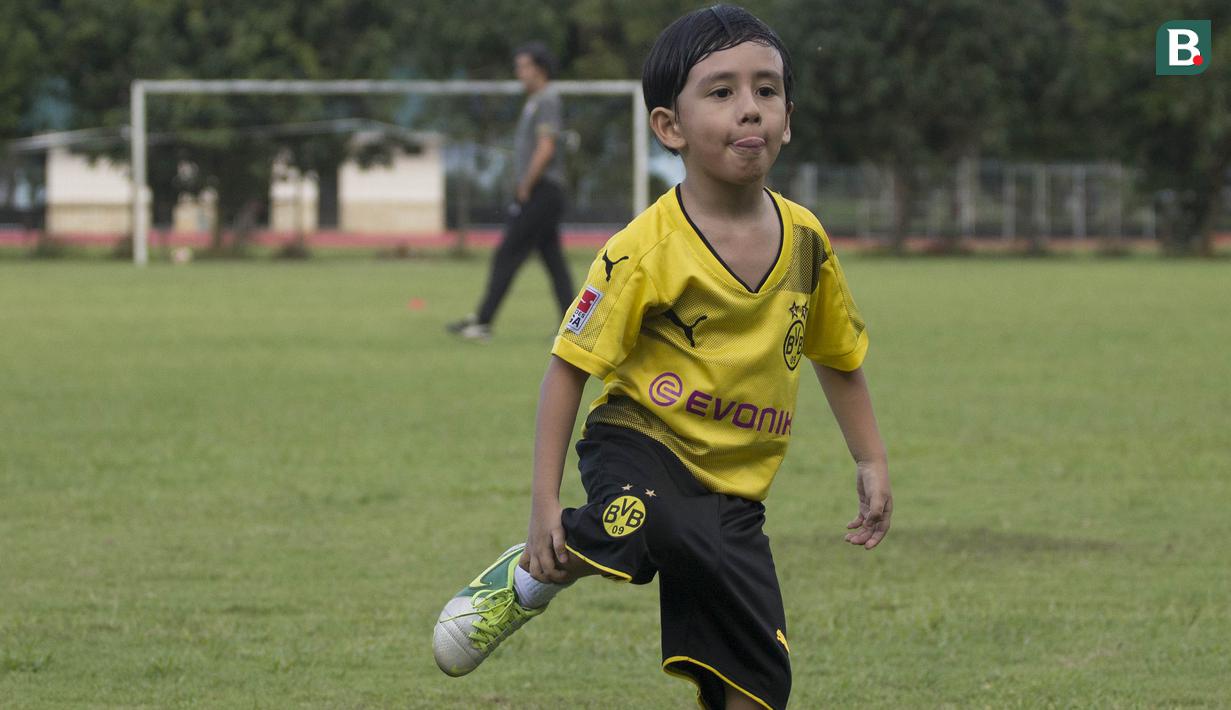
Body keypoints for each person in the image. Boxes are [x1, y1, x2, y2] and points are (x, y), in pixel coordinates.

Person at [433, 6, 893, 709]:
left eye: (766, 91)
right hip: (639, 447)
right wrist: (543, 508)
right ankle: (528, 579)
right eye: (720, 92)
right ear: (668, 127)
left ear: (788, 117)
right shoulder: (643, 248)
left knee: (756, 688)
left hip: (734, 491)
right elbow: (567, 369)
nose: (749, 109)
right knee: (654, 521)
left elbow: (838, 356)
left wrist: (870, 460)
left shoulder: (806, 242)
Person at [447, 42, 575, 342]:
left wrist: (525, 185)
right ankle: (573, 328)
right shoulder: (534, 102)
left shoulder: (547, 100)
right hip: (542, 191)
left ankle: (482, 322)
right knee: (553, 260)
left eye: (523, 66)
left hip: (543, 191)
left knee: (507, 252)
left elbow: (546, 148)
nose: (518, 72)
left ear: (539, 69)